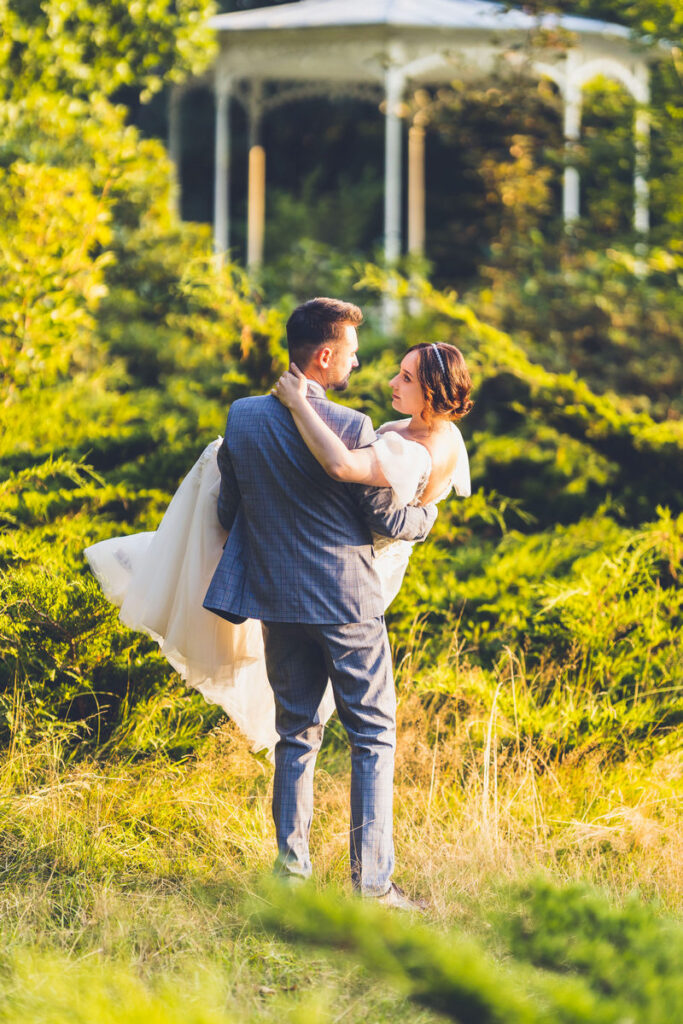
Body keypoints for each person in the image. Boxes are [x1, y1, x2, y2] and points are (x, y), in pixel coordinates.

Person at [84, 297, 471, 906]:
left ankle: (292, 878)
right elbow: (388, 519)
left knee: (296, 733)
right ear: (326, 356)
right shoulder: (353, 427)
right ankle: (372, 888)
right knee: (373, 736)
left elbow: (226, 510)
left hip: (277, 601)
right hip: (346, 603)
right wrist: (428, 516)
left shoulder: (242, 418)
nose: (359, 362)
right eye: (351, 352)